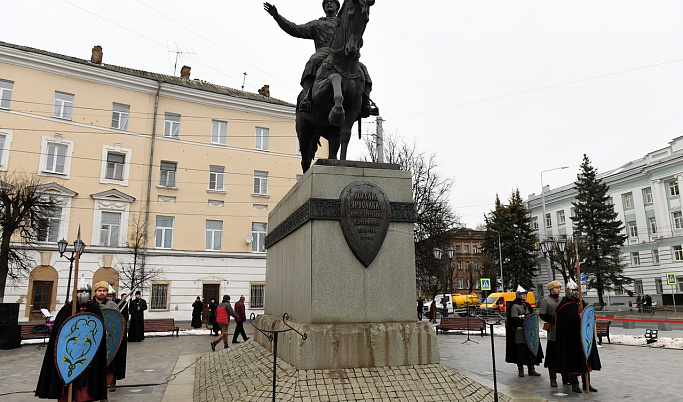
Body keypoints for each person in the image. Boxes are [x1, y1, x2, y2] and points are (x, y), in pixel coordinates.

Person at [264, 0, 379, 117]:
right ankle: (306, 98)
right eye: (326, 3)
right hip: (323, 53)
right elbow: (295, 29)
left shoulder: (345, 23)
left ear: (337, 7)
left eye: (332, 2)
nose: (329, 4)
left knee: (363, 69)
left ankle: (365, 103)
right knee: (313, 61)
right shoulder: (317, 24)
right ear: (324, 8)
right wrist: (277, 16)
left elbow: (356, 34)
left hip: (343, 55)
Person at [35, 281, 108, 401]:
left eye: (86, 292)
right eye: (80, 291)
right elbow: (59, 333)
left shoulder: (94, 309)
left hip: (86, 354)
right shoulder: (67, 309)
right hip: (69, 352)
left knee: (84, 385)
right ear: (75, 293)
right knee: (67, 377)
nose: (83, 294)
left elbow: (98, 333)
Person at [554, 279, 601, 393]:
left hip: (583, 338)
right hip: (571, 338)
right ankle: (575, 383)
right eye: (573, 290)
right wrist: (577, 317)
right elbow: (566, 321)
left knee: (585, 359)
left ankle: (587, 383)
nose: (575, 292)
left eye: (576, 290)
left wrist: (584, 316)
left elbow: (587, 316)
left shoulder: (581, 302)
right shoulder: (564, 305)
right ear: (568, 291)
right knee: (573, 360)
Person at [94, 282, 127, 393]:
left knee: (111, 361)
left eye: (104, 291)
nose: (102, 293)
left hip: (109, 338)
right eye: (100, 291)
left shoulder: (112, 305)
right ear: (95, 292)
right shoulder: (91, 305)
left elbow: (117, 321)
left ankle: (112, 381)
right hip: (95, 338)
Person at [505, 285, 543, 377]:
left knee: (530, 350)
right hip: (519, 332)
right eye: (522, 294)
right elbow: (514, 319)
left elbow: (533, 317)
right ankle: (520, 369)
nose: (524, 295)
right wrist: (525, 322)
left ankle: (531, 369)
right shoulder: (514, 306)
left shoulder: (527, 305)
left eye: (525, 294)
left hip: (529, 332)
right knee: (520, 351)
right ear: (518, 294)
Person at [538, 280, 562, 387]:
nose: (558, 290)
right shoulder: (546, 300)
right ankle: (553, 378)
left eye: (559, 288)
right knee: (552, 356)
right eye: (556, 288)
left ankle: (565, 376)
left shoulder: (561, 299)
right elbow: (542, 314)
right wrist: (554, 319)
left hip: (562, 331)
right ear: (551, 289)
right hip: (553, 331)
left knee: (563, 355)